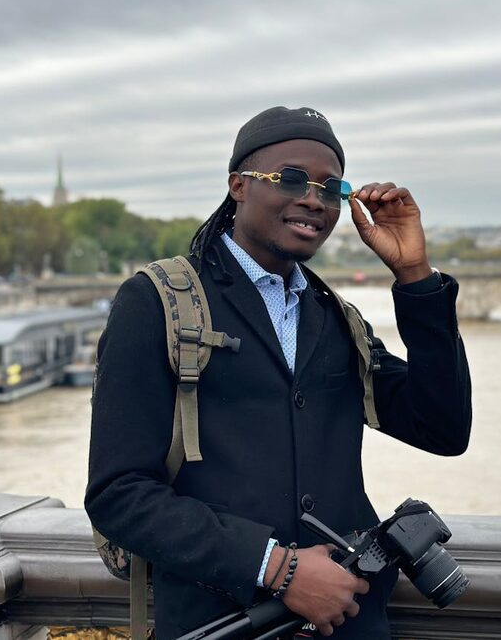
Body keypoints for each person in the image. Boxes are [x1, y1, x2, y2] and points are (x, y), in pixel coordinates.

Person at [85, 106, 472, 639]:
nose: (313, 198)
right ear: (238, 185)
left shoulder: (336, 319)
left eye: (331, 188)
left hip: (349, 626)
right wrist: (275, 566)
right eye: (291, 178)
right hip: (222, 622)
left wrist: (414, 277)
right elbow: (118, 493)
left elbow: (444, 430)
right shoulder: (156, 303)